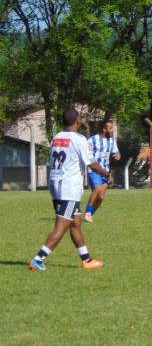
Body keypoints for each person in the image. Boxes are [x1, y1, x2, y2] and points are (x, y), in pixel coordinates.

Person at [29, 108, 109, 271]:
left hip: (55, 183)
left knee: (74, 223)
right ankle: (38, 259)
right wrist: (107, 174)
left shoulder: (57, 137)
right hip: (69, 186)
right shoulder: (79, 139)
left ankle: (86, 260)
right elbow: (91, 163)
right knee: (62, 225)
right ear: (77, 120)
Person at [82, 119, 121, 223]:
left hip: (106, 171)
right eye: (110, 128)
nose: (112, 130)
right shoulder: (92, 140)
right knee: (97, 189)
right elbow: (86, 154)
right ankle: (88, 213)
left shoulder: (112, 140)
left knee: (101, 197)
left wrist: (118, 155)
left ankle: (89, 214)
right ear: (104, 129)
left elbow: (116, 152)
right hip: (94, 169)